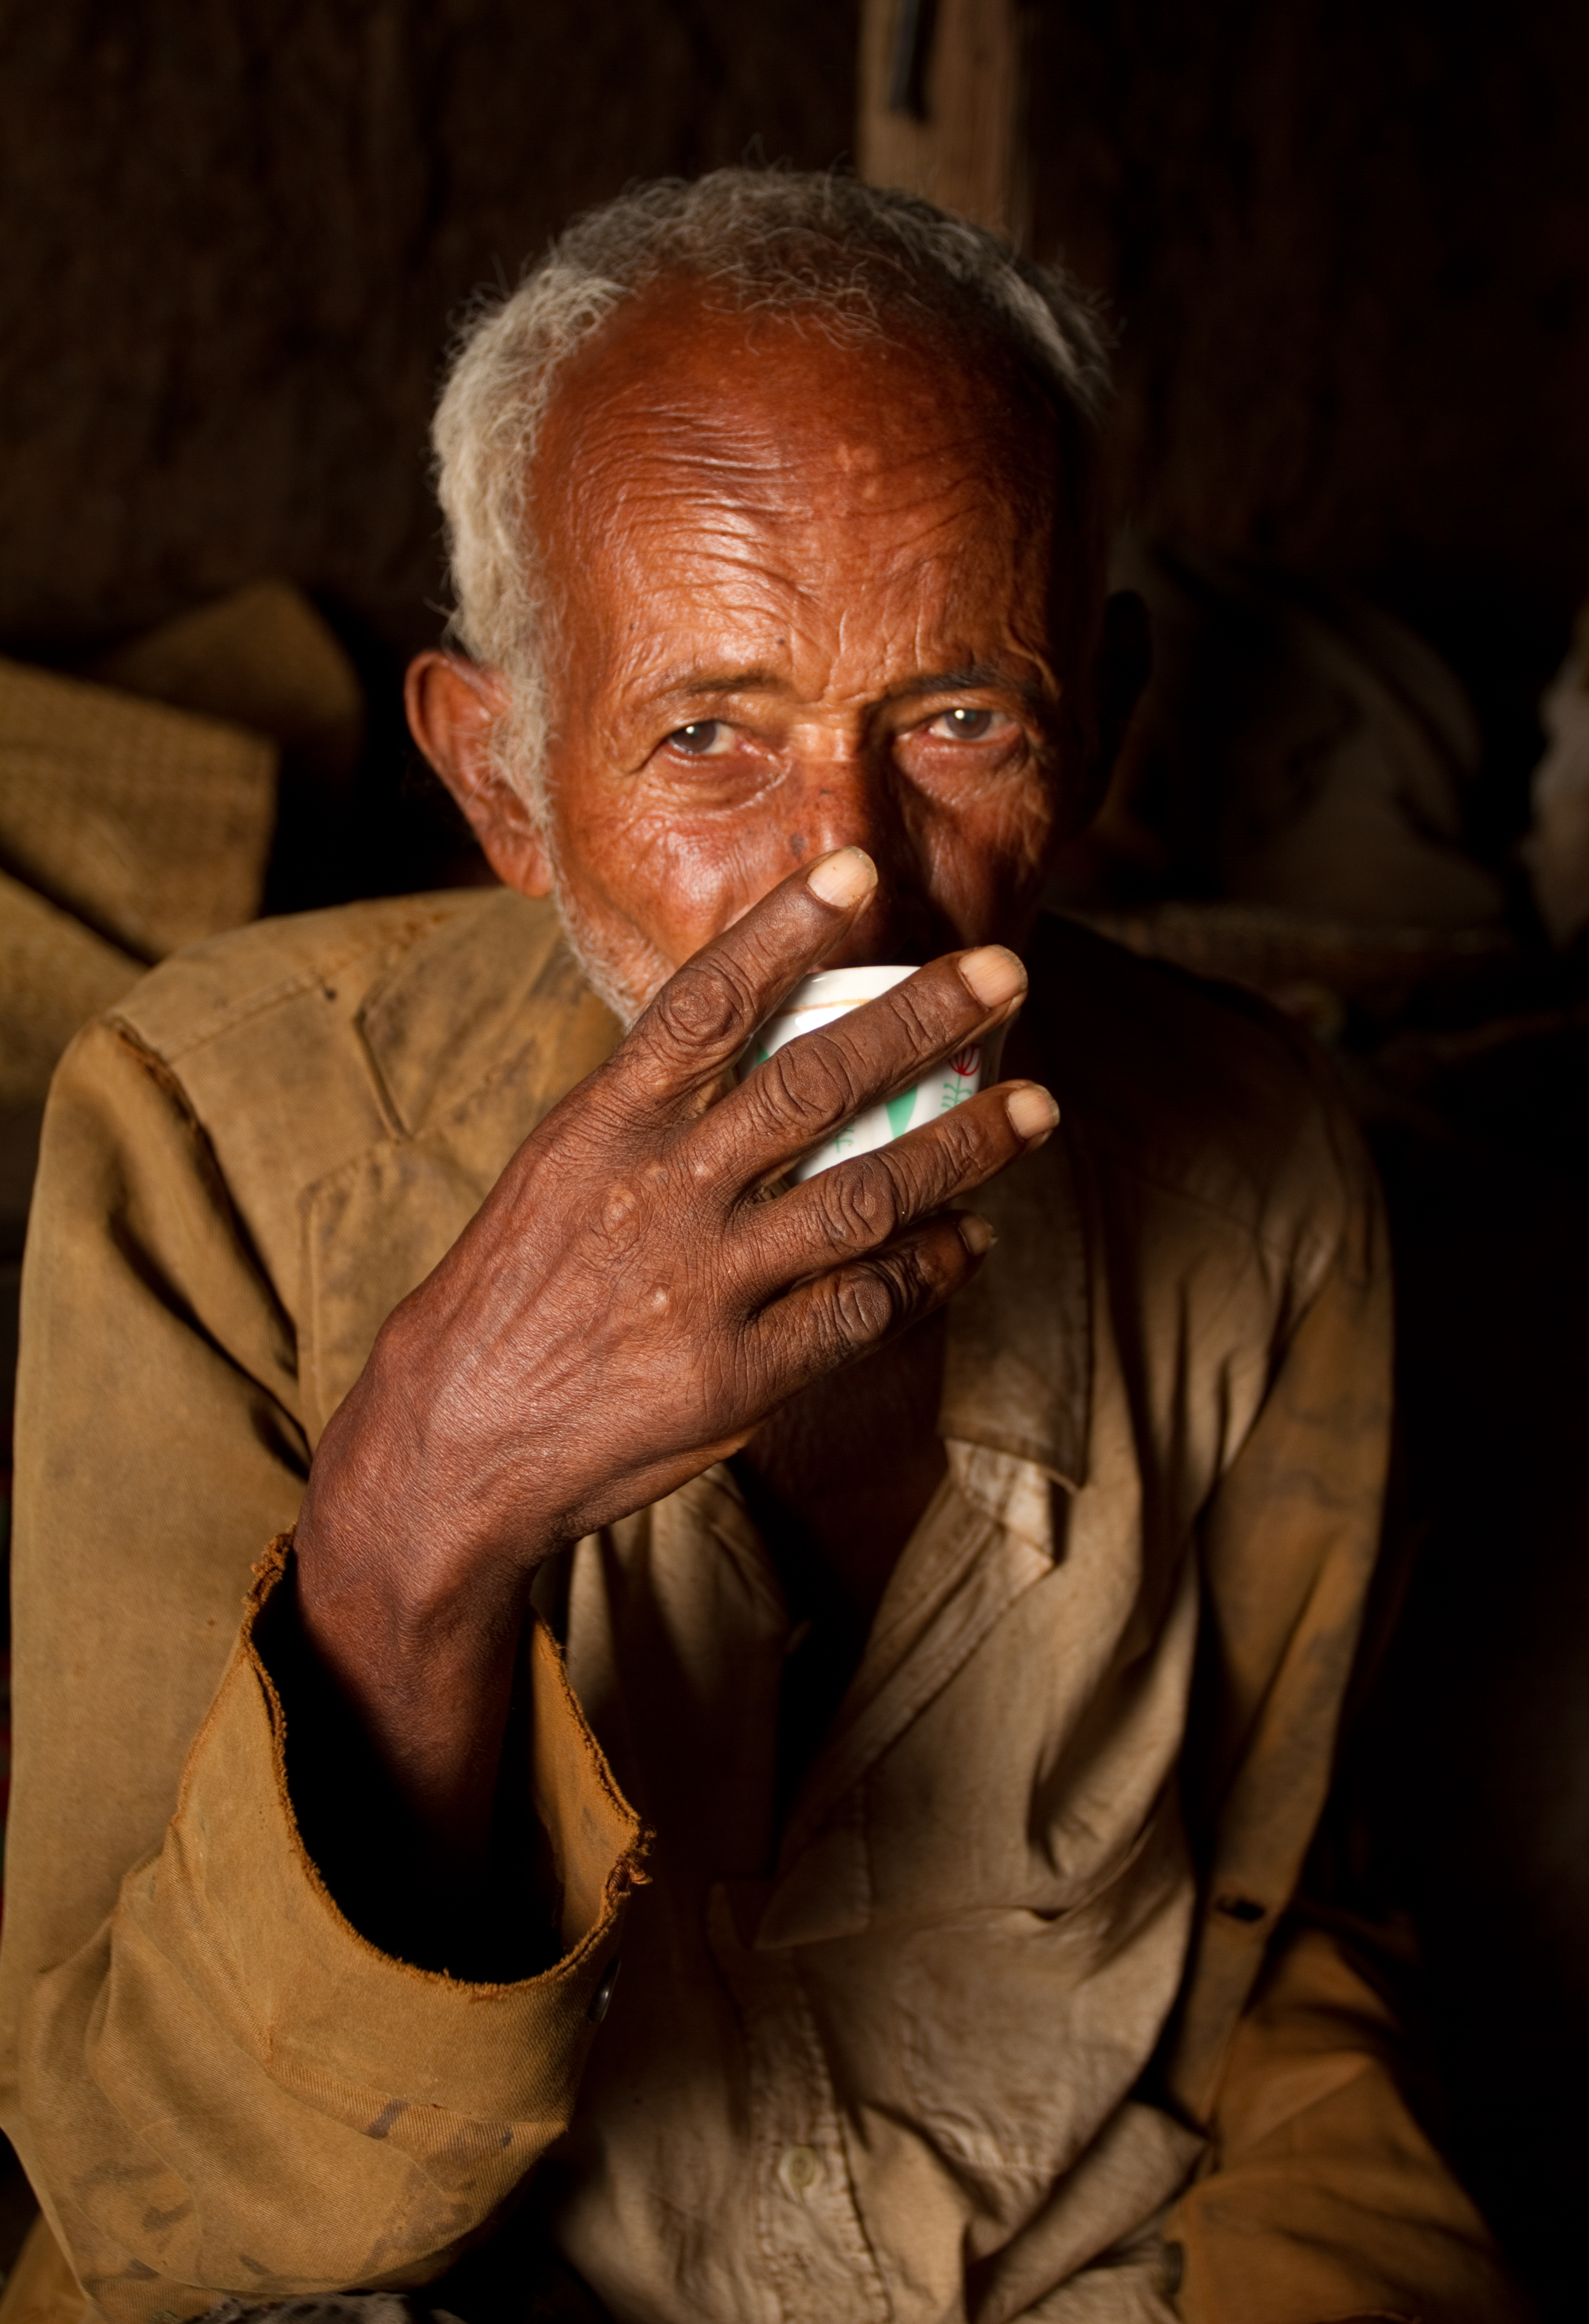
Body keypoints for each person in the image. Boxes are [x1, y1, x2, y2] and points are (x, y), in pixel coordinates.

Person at [0, 172, 1524, 2324]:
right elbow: (155, 2208)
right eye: (709, 733)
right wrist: (416, 1527)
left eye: (959, 719)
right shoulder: (216, 1150)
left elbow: (1270, 1959)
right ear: (501, 776)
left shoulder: (1259, 1170)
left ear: (1106, 717)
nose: (853, 879)